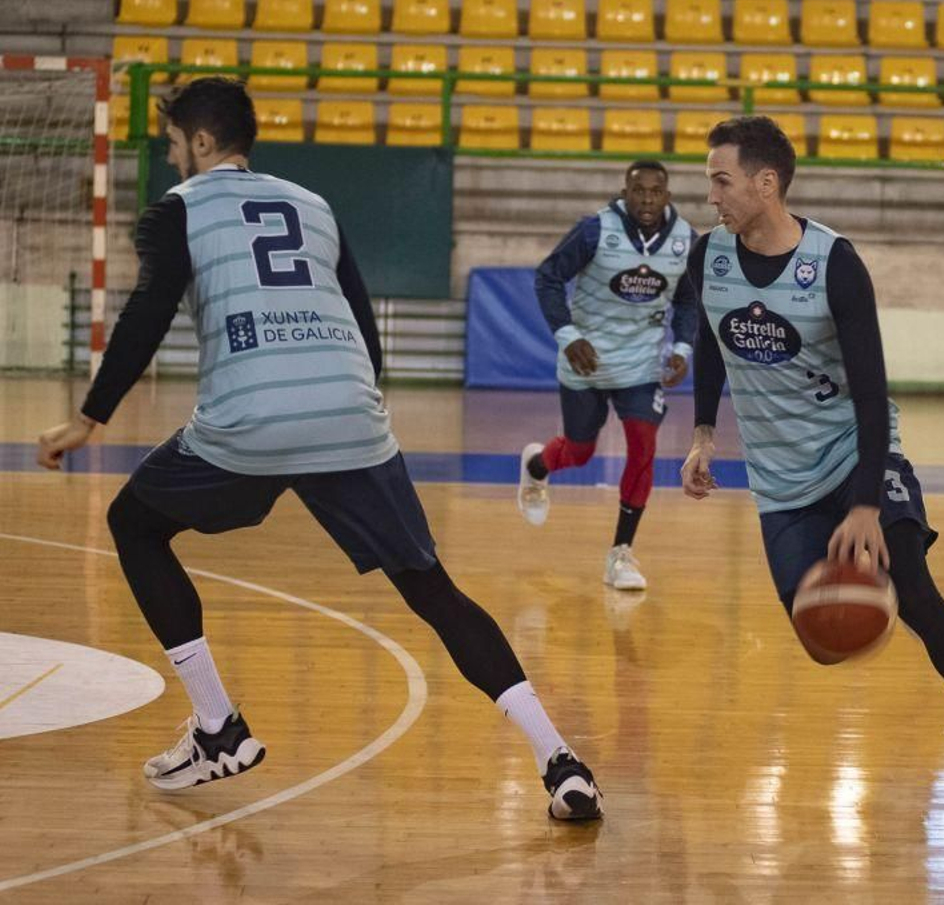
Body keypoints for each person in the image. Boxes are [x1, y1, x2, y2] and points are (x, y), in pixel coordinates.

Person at [36, 78, 602, 820]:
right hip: (351, 419)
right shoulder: (313, 204)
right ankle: (561, 762)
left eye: (173, 144)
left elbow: (147, 312)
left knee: (134, 525)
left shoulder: (178, 209)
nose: (172, 159)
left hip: (251, 421)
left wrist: (89, 417)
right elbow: (367, 334)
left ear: (201, 142)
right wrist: (343, 412)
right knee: (433, 591)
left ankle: (217, 725)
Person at [679, 116, 944, 822]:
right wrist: (702, 434)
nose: (712, 195)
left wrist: (868, 504)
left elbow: (872, 393)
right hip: (780, 480)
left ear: (766, 183)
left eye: (721, 181)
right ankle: (877, 590)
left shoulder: (833, 263)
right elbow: (712, 340)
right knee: (823, 639)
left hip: (855, 454)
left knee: (918, 593)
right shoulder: (707, 257)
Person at [517, 161, 697, 592]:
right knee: (579, 451)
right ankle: (537, 465)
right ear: (625, 192)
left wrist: (682, 348)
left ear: (668, 196)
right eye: (639, 190)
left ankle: (620, 553)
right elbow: (548, 278)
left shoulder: (687, 240)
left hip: (641, 365)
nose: (647, 199)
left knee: (643, 446)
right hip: (586, 359)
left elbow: (689, 301)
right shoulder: (594, 230)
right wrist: (568, 336)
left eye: (656, 191)